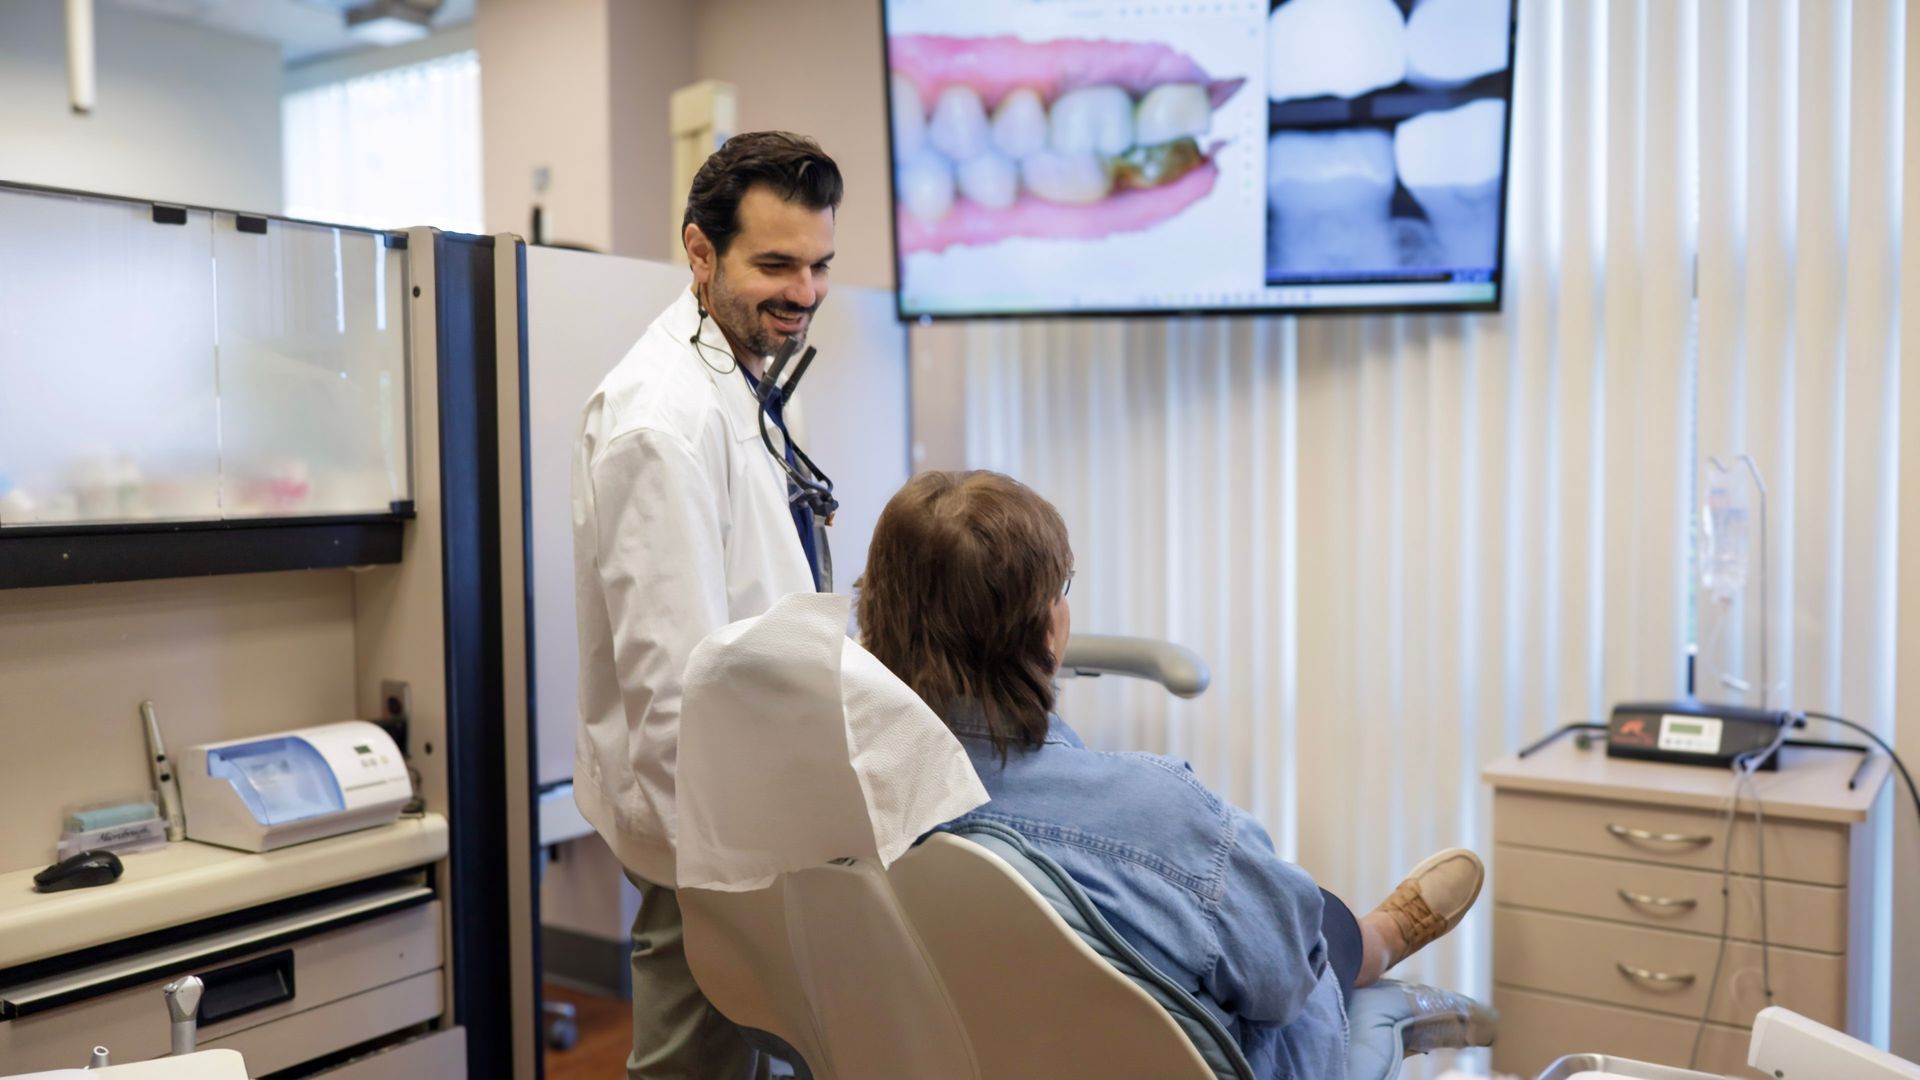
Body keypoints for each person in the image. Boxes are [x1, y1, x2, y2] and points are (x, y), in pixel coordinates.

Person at [855, 470, 1486, 1079]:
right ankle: (1377, 940)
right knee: (1287, 920)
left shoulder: (835, 803)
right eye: (1061, 588)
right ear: (1045, 629)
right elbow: (1286, 980)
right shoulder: (1158, 814)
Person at [572, 131, 841, 1079]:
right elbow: (672, 690)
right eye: (775, 264)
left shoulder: (741, 373)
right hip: (713, 837)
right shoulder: (661, 423)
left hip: (756, 811)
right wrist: (728, 888)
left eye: (817, 266)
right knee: (694, 1063)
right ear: (700, 251)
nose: (803, 294)